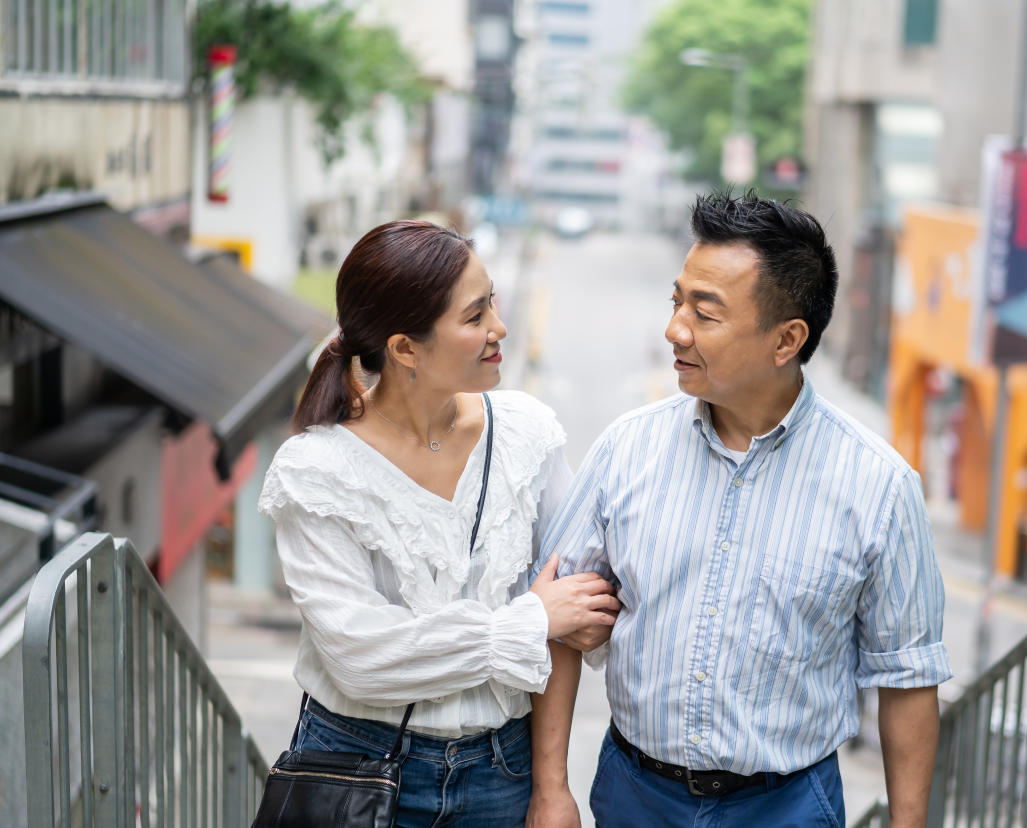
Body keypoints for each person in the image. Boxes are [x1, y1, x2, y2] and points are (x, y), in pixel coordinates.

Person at [526, 192, 951, 828]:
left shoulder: (879, 486)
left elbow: (909, 678)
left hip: (787, 806)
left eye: (706, 313)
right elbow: (559, 620)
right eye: (677, 301)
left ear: (787, 340)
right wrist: (550, 787)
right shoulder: (627, 448)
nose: (675, 329)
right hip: (636, 794)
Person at [258, 220, 620, 827]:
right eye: (475, 316)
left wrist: (551, 787)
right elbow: (361, 656)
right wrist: (528, 620)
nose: (499, 329)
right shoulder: (316, 471)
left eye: (493, 304)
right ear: (405, 349)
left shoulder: (526, 437)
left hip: (500, 770)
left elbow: (574, 618)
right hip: (355, 762)